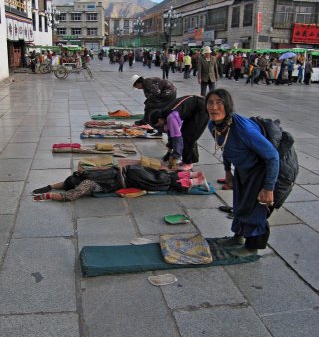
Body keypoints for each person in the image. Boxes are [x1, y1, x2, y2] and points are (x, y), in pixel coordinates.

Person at [206, 88, 279, 257]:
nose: (214, 107)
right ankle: (238, 237)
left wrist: (268, 188)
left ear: (228, 106)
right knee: (240, 204)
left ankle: (252, 247)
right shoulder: (213, 125)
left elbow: (273, 156)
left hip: (259, 171)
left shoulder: (243, 129)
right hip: (242, 169)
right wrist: (227, 171)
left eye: (219, 102)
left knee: (254, 209)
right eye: (210, 102)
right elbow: (223, 146)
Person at [31, 165, 210, 201]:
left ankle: (194, 180)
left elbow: (70, 194)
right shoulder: (85, 172)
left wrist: (46, 195)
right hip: (129, 170)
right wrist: (47, 187)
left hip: (130, 179)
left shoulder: (87, 183)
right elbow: (65, 184)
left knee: (162, 182)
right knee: (159, 175)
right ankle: (192, 175)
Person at [149, 95, 209, 171]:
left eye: (158, 125)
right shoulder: (165, 114)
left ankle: (188, 163)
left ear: (159, 119)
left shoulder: (171, 117)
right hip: (194, 108)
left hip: (201, 109)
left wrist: (175, 156)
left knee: (189, 137)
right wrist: (169, 151)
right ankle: (186, 161)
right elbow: (171, 134)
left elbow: (177, 138)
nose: (160, 127)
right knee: (185, 134)